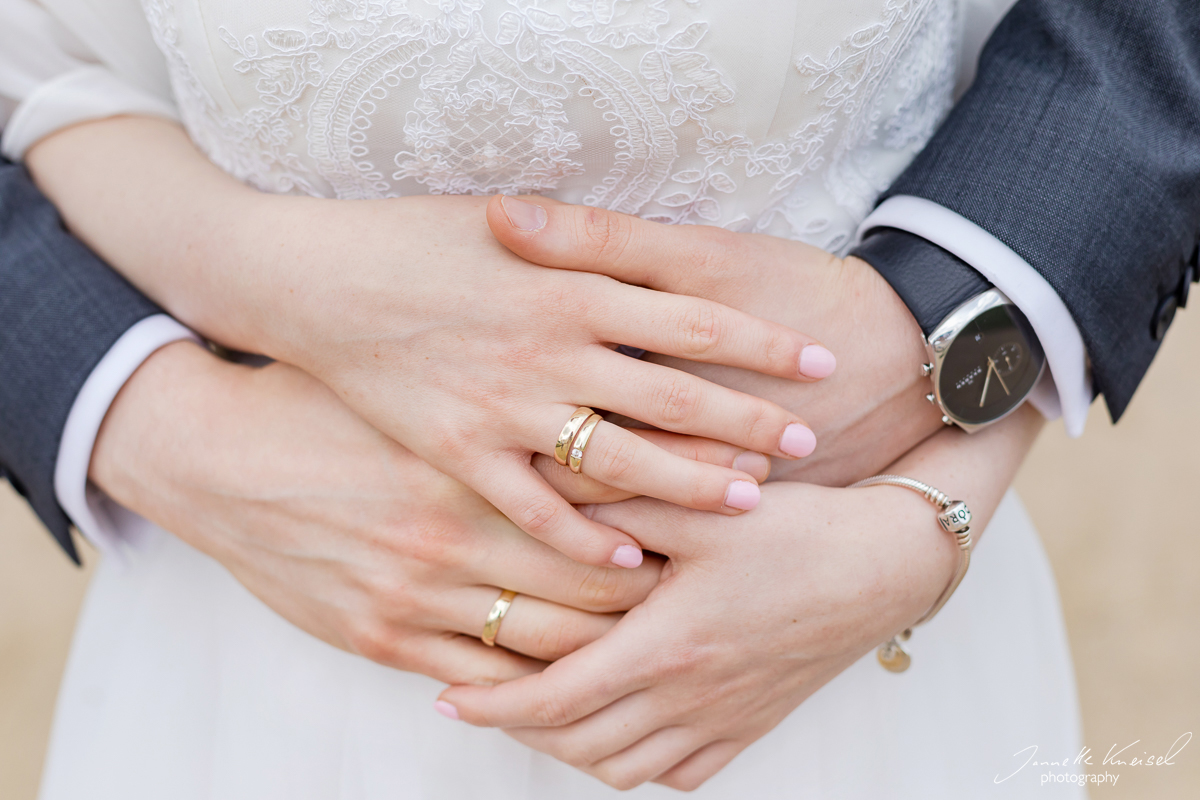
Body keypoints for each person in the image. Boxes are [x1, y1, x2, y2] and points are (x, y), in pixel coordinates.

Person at [0, 0, 1195, 796]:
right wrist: (186, 422)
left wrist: (933, 497)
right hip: (273, 628)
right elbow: (46, 75)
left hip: (823, 651)